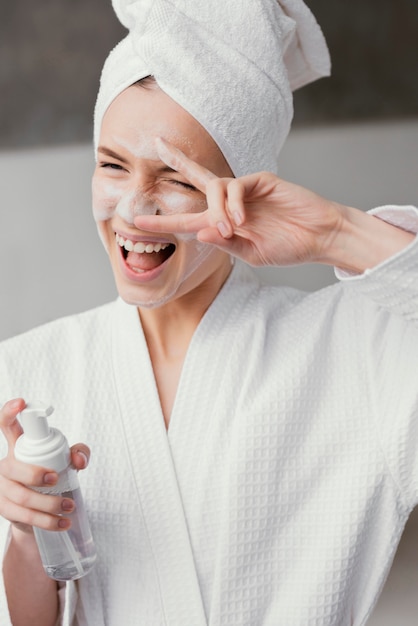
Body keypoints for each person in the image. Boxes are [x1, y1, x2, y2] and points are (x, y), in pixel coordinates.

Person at [0, 1, 417, 624]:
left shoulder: (354, 348)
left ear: (244, 188)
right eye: (112, 165)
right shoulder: (26, 369)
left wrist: (335, 231)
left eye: (177, 177)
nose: (134, 211)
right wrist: (32, 540)